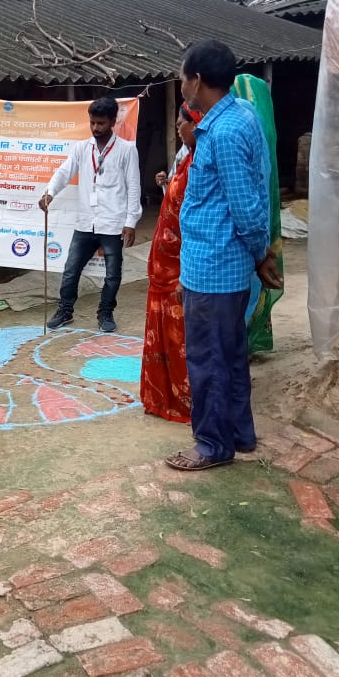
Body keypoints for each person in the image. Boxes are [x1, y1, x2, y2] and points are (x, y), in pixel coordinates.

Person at [164, 40, 283, 472]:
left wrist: (260, 254)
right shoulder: (240, 115)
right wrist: (258, 254)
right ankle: (238, 433)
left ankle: (213, 444)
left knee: (208, 360)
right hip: (220, 264)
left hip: (214, 266)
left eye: (183, 78)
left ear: (197, 80)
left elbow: (247, 206)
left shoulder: (225, 132)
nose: (181, 87)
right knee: (229, 355)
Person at [39, 97, 141, 334]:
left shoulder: (127, 150)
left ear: (113, 122)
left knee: (113, 275)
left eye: (101, 123)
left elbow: (134, 186)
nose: (96, 128)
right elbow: (64, 172)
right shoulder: (81, 148)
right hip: (86, 222)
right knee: (71, 270)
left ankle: (105, 313)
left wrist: (131, 222)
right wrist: (50, 192)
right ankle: (65, 311)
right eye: (92, 122)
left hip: (113, 223)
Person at [141, 103, 203, 424]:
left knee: (182, 337)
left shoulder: (202, 164)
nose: (178, 128)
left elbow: (196, 220)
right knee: (165, 335)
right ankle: (162, 397)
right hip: (163, 266)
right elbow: (175, 203)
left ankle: (188, 402)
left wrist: (185, 272)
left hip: (181, 268)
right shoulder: (186, 158)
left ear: (197, 123)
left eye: (182, 123)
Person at [231, 74, 285, 354]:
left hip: (242, 240)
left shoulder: (230, 135)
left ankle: (242, 344)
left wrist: (259, 250)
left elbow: (244, 202)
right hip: (254, 235)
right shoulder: (257, 134)